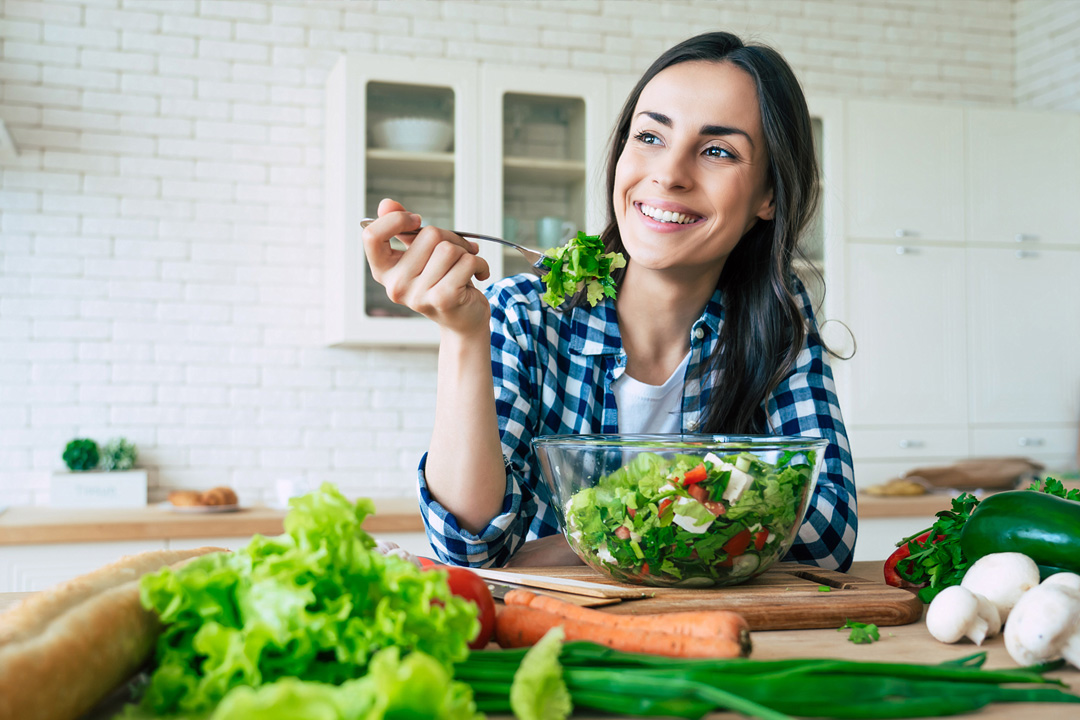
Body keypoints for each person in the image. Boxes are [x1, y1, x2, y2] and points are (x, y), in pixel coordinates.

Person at [361, 31, 857, 572]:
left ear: (768, 195)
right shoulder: (524, 314)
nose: (669, 173)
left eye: (717, 151)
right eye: (649, 137)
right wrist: (461, 334)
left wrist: (583, 541)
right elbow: (471, 546)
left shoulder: (779, 320)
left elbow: (826, 533)